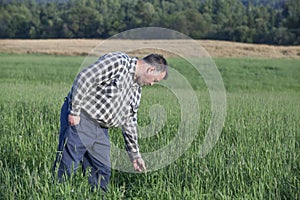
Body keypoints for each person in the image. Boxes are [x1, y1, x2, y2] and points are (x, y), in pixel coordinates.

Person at [53, 52, 168, 192]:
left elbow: (130, 120)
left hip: (101, 128)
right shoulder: (118, 62)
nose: (151, 84)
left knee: (102, 170)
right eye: (154, 80)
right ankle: (56, 194)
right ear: (150, 70)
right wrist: (74, 111)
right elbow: (85, 77)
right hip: (82, 118)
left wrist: (134, 155)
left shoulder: (136, 88)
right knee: (67, 166)